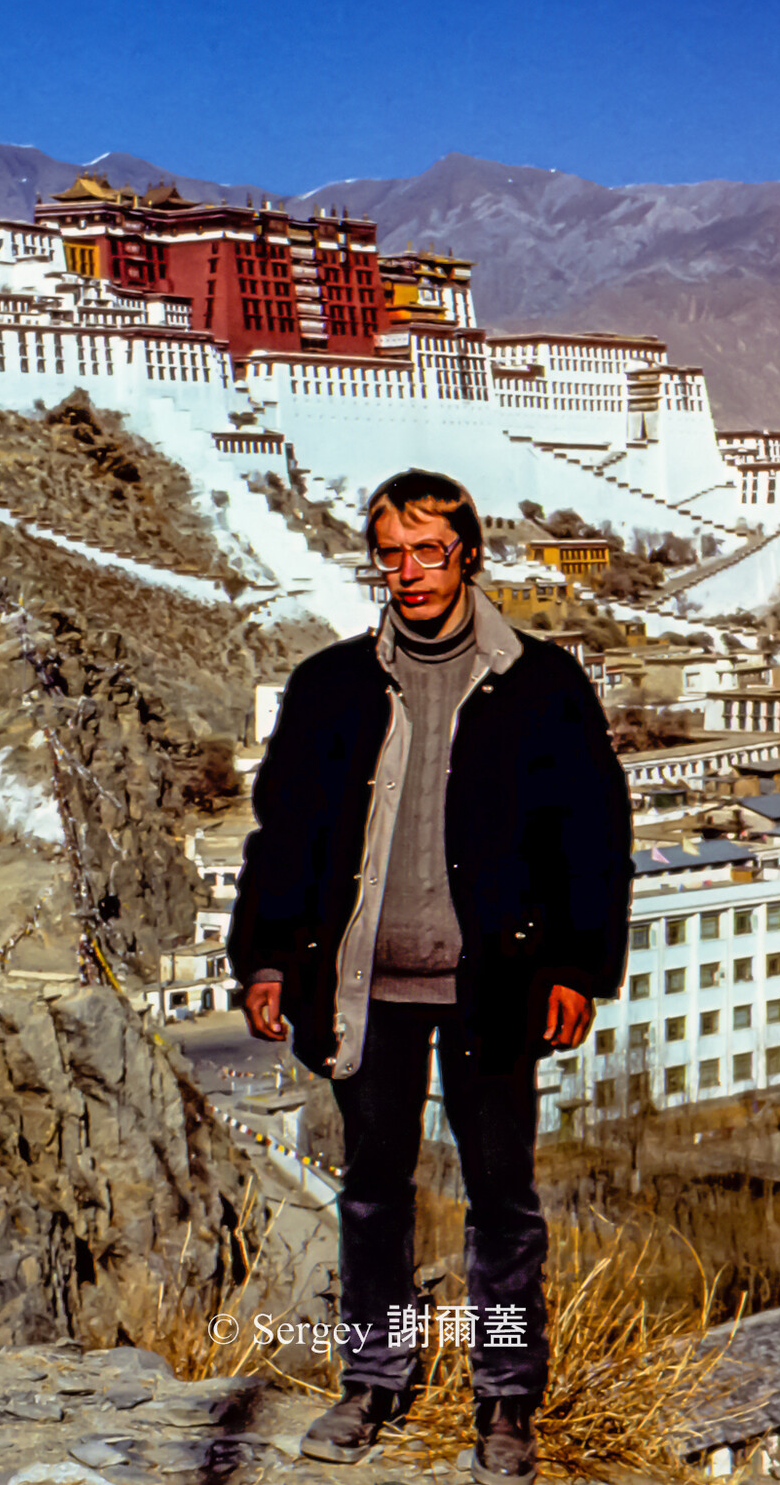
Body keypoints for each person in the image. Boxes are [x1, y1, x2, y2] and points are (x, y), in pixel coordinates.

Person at [229, 469, 633, 1484]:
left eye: (428, 550)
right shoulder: (332, 685)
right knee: (372, 1193)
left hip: (492, 985)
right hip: (366, 986)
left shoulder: (542, 684)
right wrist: (267, 955)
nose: (408, 571)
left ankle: (505, 1398)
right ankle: (374, 1378)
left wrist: (576, 966)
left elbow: (594, 835)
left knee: (501, 1199)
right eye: (391, 553)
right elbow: (283, 834)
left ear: (468, 555)